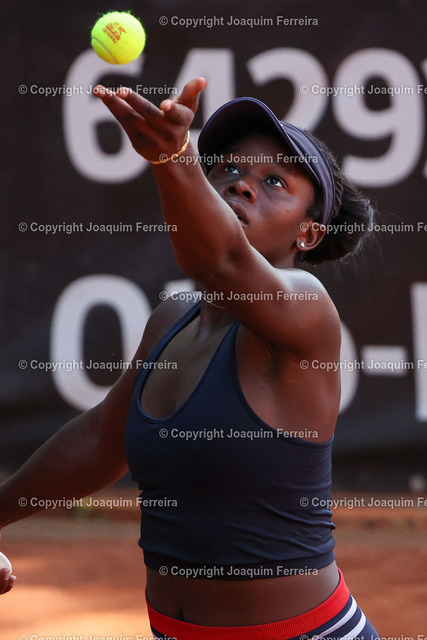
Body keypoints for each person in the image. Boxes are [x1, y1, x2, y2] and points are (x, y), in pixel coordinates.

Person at [0, 77, 379, 639]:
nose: (242, 185)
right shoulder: (171, 318)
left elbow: (220, 261)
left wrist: (171, 157)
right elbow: (100, 441)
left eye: (274, 181)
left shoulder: (308, 307)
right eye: (228, 169)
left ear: (308, 233)